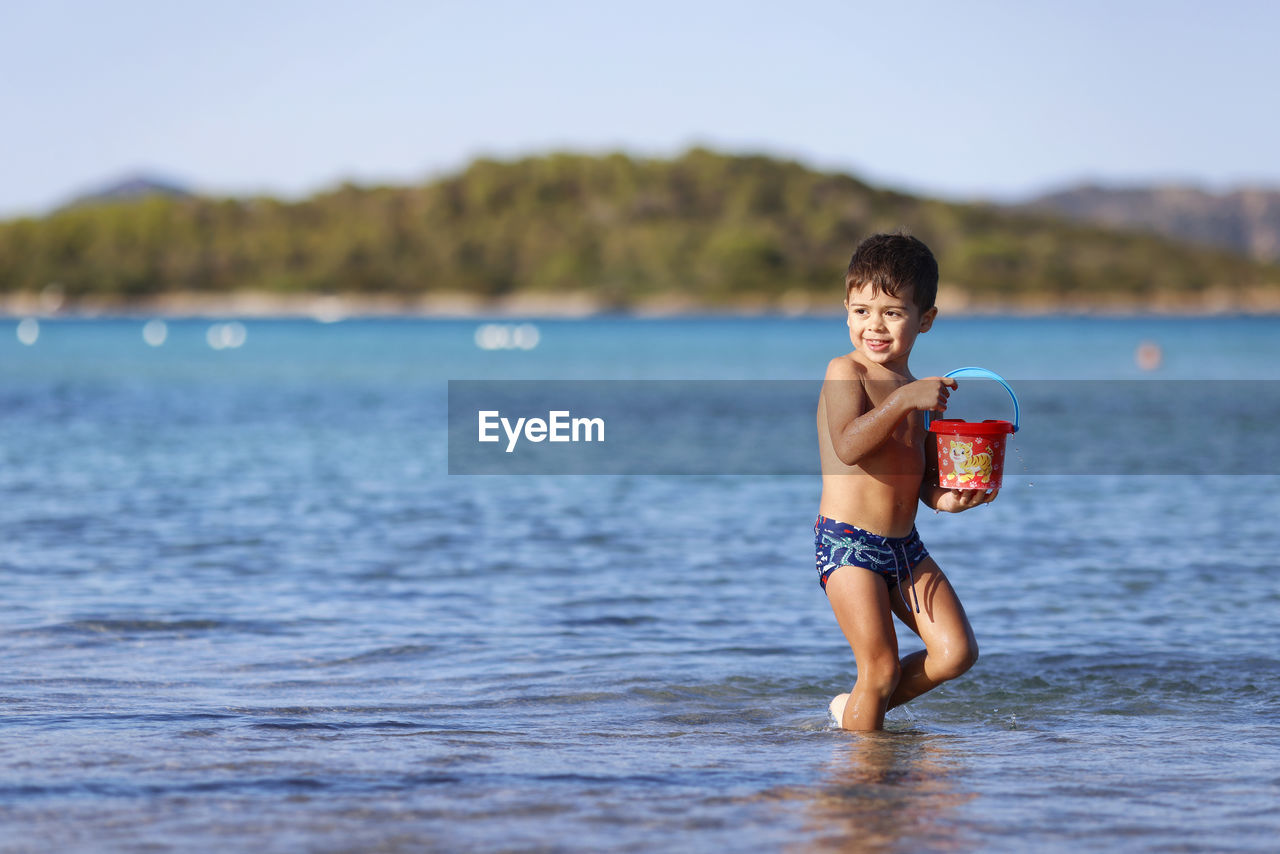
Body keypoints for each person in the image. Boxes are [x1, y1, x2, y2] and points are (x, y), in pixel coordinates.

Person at [816, 232, 996, 731]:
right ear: (846, 310)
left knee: (956, 652)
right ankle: (865, 781)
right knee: (879, 667)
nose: (874, 325)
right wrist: (904, 401)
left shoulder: (917, 394)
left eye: (892, 312)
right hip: (848, 543)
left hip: (905, 548)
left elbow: (916, 484)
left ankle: (852, 713)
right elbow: (849, 446)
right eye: (860, 310)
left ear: (926, 319)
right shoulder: (844, 372)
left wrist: (950, 500)